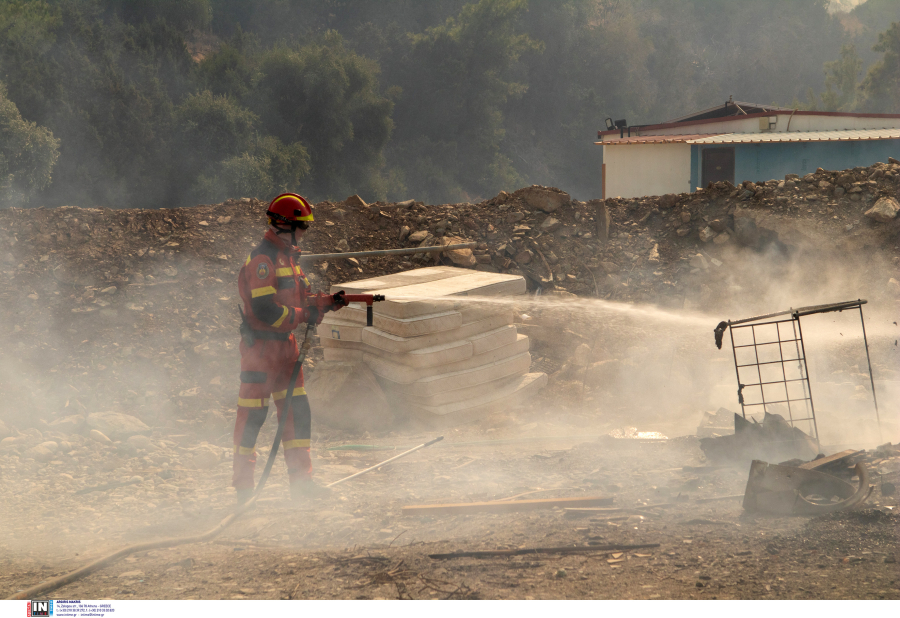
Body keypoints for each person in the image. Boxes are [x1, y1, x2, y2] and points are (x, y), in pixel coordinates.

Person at [232, 193, 344, 504]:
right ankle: (244, 490)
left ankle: (302, 485)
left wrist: (325, 303)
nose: (305, 233)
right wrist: (303, 316)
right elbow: (266, 310)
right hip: (260, 352)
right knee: (252, 420)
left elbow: (299, 300)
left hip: (286, 350)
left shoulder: (288, 259)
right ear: (285, 226)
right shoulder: (263, 260)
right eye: (302, 226)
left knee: (297, 414)